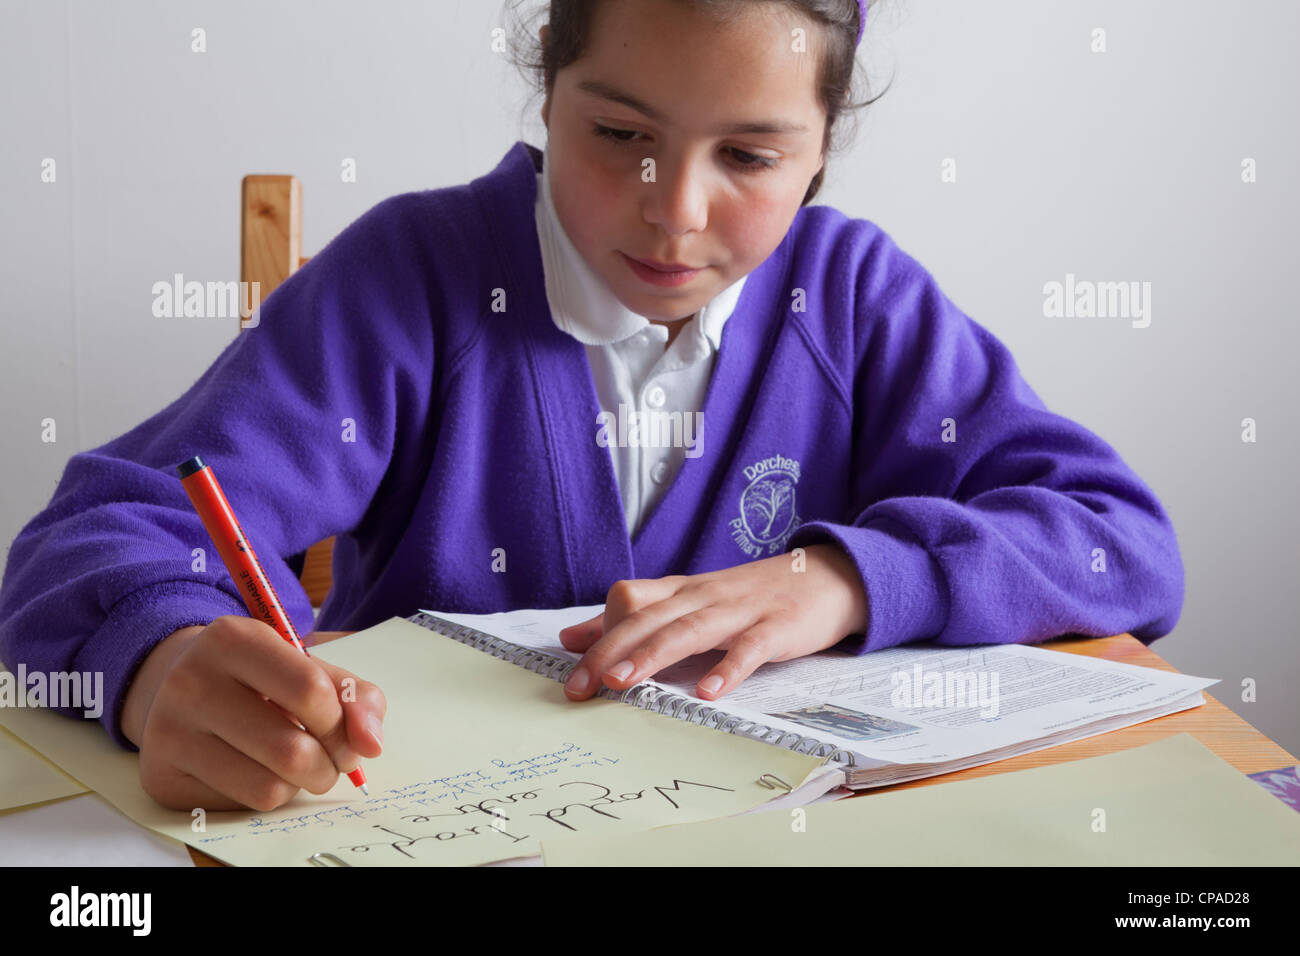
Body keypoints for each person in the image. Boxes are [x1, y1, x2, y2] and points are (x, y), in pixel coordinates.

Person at [0, 0, 1184, 812]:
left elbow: (1114, 535)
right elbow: (86, 540)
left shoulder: (858, 303)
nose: (674, 214)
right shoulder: (413, 281)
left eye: (753, 157)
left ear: (822, 153)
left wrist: (841, 579)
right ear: (546, 93)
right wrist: (161, 662)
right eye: (621, 135)